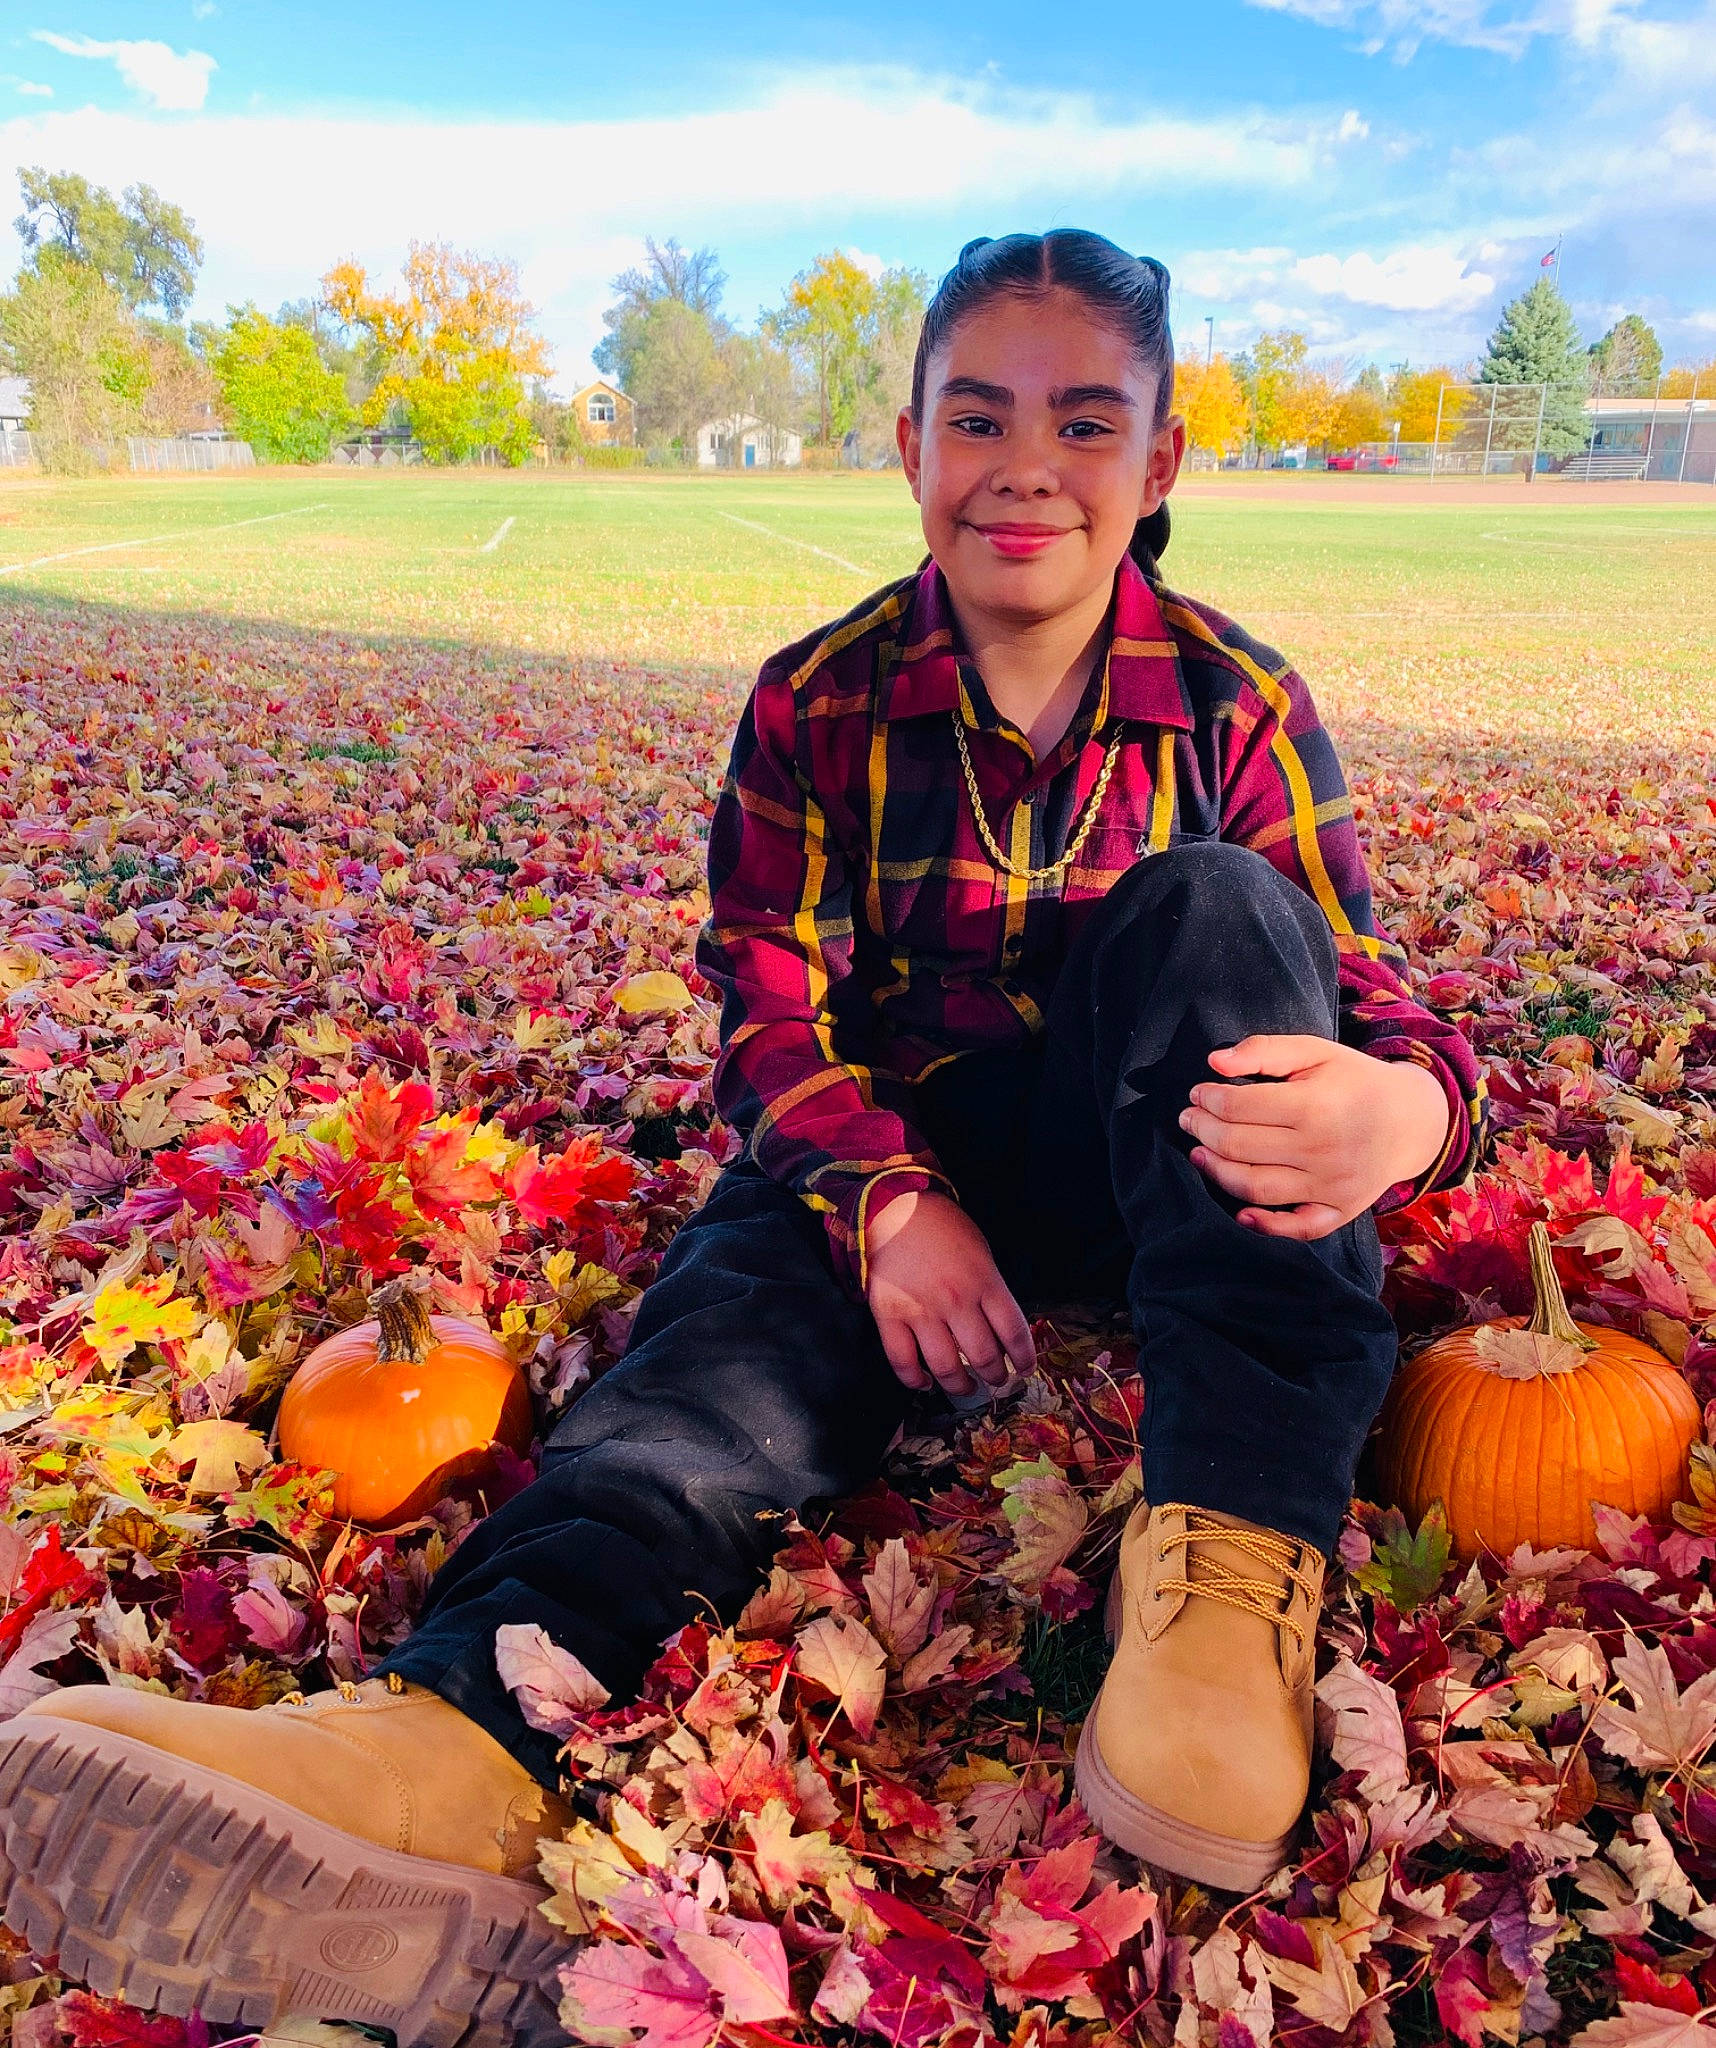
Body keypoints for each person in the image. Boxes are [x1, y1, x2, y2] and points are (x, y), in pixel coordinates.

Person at [0, 231, 1482, 2041]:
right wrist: (882, 1207)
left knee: (1227, 908)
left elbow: (1378, 991)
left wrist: (1404, 1108)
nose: (1029, 465)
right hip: (897, 1170)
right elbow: (773, 1021)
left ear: (1159, 463)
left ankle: (1225, 1585)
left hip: (1155, 1160)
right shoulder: (816, 698)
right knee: (718, 1363)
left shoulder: (1240, 701)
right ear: (913, 444)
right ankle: (462, 1734)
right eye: (979, 415)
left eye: (1088, 422)